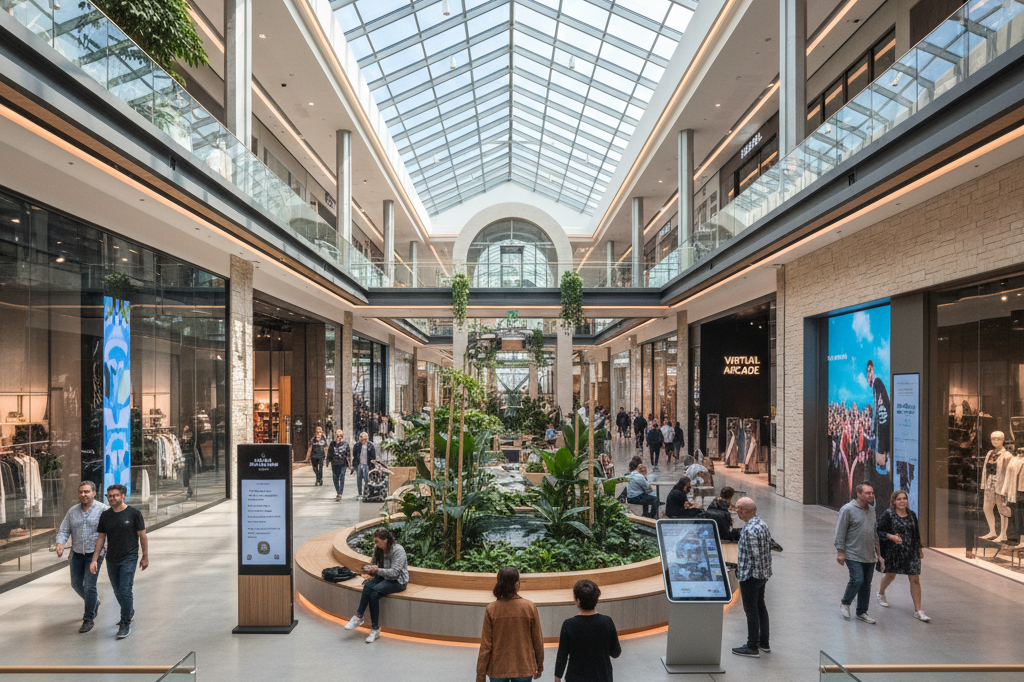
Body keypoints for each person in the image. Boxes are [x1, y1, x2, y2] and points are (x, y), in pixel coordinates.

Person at [90, 484, 148, 639]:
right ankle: (129, 611)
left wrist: (145, 556)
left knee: (125, 588)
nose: (112, 498)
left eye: (115, 495)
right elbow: (101, 537)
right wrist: (94, 560)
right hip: (112, 558)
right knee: (117, 590)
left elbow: (142, 536)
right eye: (109, 496)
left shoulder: (134, 514)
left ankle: (125, 621)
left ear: (123, 495)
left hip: (129, 557)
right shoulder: (106, 516)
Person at [55, 481, 109, 633]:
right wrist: (60, 543)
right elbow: (64, 529)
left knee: (90, 585)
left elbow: (110, 531)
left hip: (95, 554)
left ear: (94, 493)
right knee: (76, 584)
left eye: (86, 492)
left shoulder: (103, 510)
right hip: (77, 553)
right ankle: (94, 602)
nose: (83, 495)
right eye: (80, 492)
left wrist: (108, 546)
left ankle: (88, 618)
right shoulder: (73, 511)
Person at [476, 566, 544, 682]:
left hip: (498, 668)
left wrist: (480, 673)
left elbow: (486, 646)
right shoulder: (529, 607)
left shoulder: (491, 609)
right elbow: (537, 640)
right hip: (524, 666)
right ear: (516, 584)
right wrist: (539, 664)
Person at [344, 528, 408, 643]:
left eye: (378, 541)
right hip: (383, 576)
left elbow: (394, 573)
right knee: (368, 586)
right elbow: (374, 564)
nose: (376, 544)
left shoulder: (398, 550)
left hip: (398, 581)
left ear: (386, 540)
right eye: (375, 541)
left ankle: (375, 629)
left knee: (374, 594)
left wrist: (376, 570)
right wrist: (368, 570)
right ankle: (359, 617)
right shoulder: (378, 549)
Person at [876, 490, 930, 622]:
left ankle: (918, 610)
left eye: (904, 498)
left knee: (915, 580)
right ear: (894, 501)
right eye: (899, 499)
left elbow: (916, 533)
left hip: (911, 552)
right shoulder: (889, 514)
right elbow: (878, 530)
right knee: (890, 575)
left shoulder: (911, 515)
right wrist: (891, 536)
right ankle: (881, 593)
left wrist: (919, 548)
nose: (902, 501)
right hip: (894, 552)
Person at [554, 579, 620, 682]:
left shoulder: (568, 625)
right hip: (602, 677)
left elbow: (562, 656)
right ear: (596, 599)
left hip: (575, 678)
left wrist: (557, 677)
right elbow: (616, 652)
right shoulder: (607, 622)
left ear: (578, 601)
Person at [732, 497, 774, 657]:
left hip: (751, 576)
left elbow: (754, 556)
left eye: (738, 508)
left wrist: (749, 576)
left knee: (751, 611)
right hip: (763, 574)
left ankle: (752, 646)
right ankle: (764, 642)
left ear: (745, 511)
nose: (736, 511)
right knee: (760, 607)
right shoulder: (762, 524)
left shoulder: (749, 530)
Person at [835, 481, 880, 623]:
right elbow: (840, 531)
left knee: (866, 584)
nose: (871, 495)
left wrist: (878, 553)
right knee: (857, 579)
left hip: (869, 555)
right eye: (868, 493)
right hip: (852, 553)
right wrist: (840, 552)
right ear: (859, 493)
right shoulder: (847, 509)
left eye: (872, 493)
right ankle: (845, 602)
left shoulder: (872, 510)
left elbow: (874, 532)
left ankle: (862, 612)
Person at [328, 428, 351, 501]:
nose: (339, 437)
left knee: (342, 476)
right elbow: (329, 453)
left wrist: (350, 465)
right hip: (334, 463)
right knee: (335, 478)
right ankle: (338, 492)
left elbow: (348, 455)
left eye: (341, 436)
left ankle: (340, 493)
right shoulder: (332, 443)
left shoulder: (345, 444)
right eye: (338, 436)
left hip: (343, 463)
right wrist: (327, 461)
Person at [352, 431, 377, 500]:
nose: (362, 439)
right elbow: (355, 455)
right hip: (360, 464)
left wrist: (373, 465)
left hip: (367, 464)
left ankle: (366, 492)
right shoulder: (357, 445)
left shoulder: (370, 445)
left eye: (363, 437)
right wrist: (354, 465)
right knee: (359, 479)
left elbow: (373, 456)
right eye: (360, 437)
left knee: (367, 479)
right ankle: (360, 493)